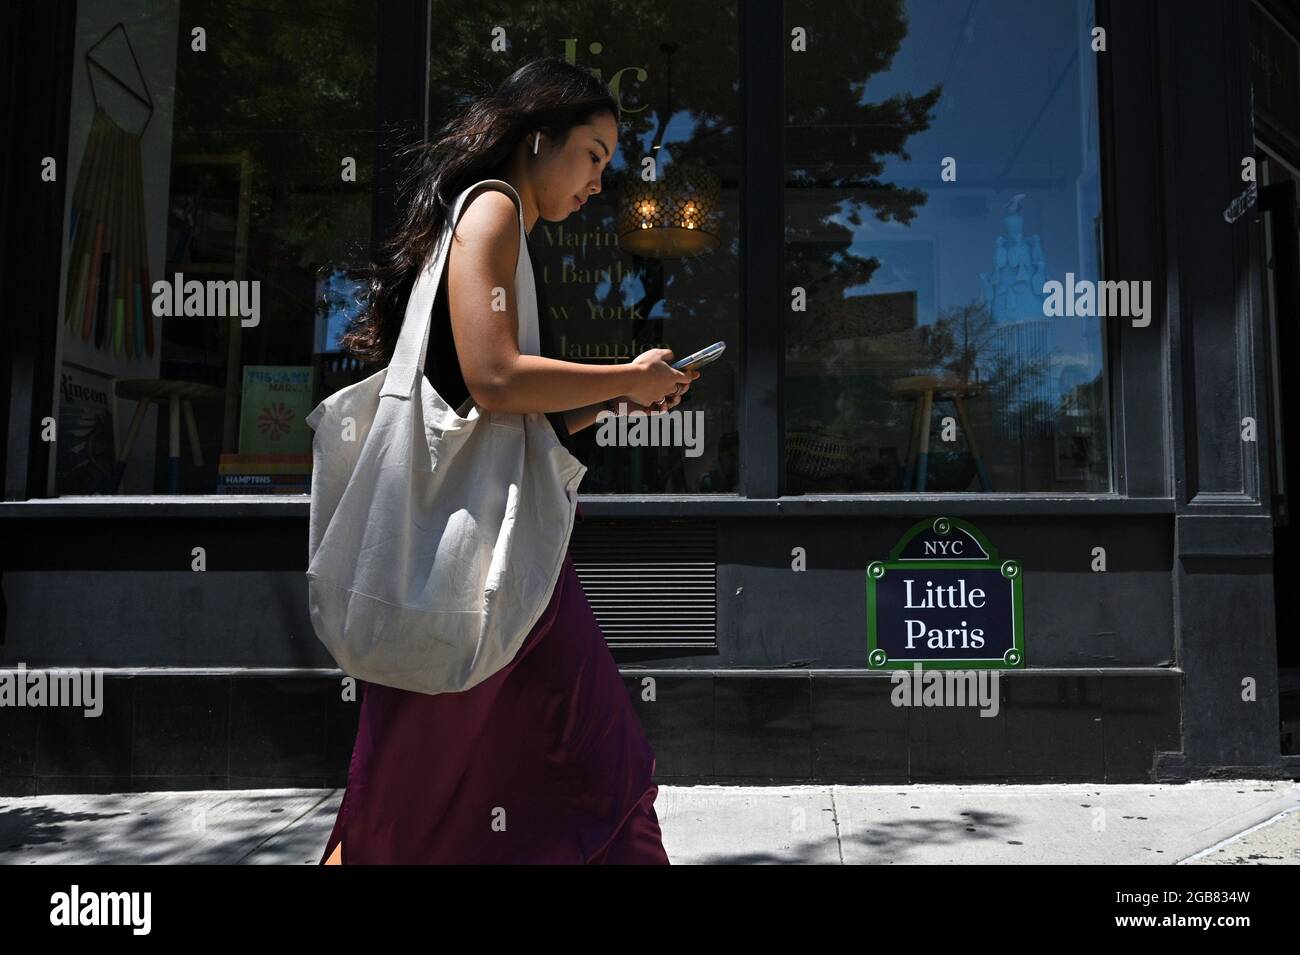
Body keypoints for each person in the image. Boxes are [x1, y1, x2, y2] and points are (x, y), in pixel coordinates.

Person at [318, 57, 699, 864]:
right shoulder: (490, 209)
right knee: (403, 802)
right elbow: (493, 379)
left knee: (600, 769)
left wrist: (627, 395)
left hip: (511, 563)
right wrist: (626, 375)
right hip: (467, 561)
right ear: (537, 138)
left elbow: (519, 407)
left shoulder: (509, 234)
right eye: (593, 155)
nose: (601, 180)